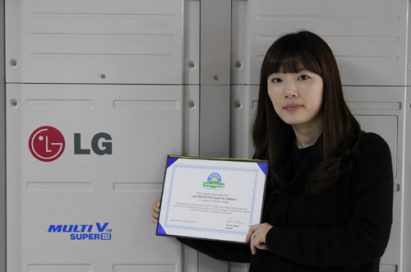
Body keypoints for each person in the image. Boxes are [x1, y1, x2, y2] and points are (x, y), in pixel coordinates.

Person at [152, 30, 393, 272]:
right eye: (276, 79)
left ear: (328, 83)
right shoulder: (269, 158)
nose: (289, 91)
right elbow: (249, 243)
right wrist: (177, 221)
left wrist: (276, 238)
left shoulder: (367, 151)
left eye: (303, 77)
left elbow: (368, 240)